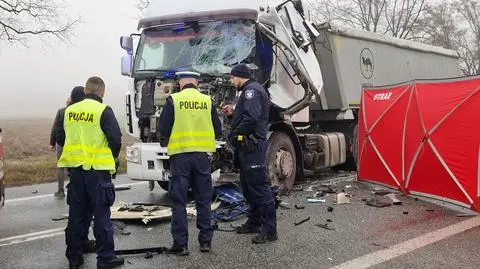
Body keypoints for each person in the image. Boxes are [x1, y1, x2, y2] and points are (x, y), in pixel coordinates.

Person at [56, 77, 124, 269]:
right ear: (102, 92)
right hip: (97, 171)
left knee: (76, 214)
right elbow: (115, 139)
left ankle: (74, 258)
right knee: (101, 214)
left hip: (76, 170)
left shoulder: (70, 111)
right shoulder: (103, 110)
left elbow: (61, 136)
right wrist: (110, 157)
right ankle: (105, 258)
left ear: (85, 91)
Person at [158, 71, 222, 256]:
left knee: (179, 200)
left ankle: (181, 245)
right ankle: (205, 243)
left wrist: (166, 142)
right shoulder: (207, 101)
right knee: (203, 200)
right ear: (197, 82)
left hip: (180, 156)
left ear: (179, 82)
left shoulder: (174, 100)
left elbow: (164, 128)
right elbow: (217, 129)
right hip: (202, 157)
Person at [222, 64, 277, 244]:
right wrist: (233, 112)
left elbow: (252, 118)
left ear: (239, 76)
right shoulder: (248, 91)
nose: (231, 81)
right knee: (248, 186)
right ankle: (254, 223)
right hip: (247, 147)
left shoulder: (251, 91)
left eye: (232, 78)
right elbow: (246, 114)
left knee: (260, 187)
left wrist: (233, 132)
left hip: (252, 146)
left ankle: (269, 231)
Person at [50, 88, 85, 198]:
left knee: (61, 166)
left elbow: (55, 128)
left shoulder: (62, 111)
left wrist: (52, 142)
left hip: (62, 143)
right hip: (76, 143)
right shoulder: (82, 111)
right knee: (76, 166)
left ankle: (60, 191)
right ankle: (76, 189)